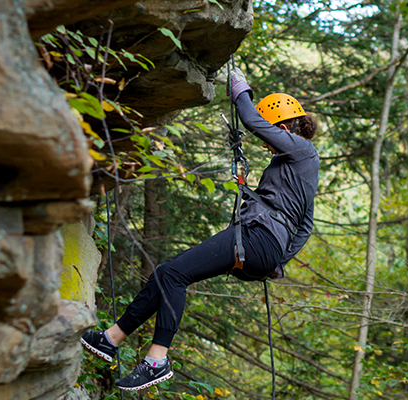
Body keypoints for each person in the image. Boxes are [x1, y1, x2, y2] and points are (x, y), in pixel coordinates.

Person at [79, 67, 319, 391]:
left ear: (286, 126)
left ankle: (156, 361)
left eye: (272, 136)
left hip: (257, 239)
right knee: (167, 272)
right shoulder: (296, 163)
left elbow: (252, 121)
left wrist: (239, 89)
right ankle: (111, 339)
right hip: (261, 245)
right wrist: (278, 257)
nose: (267, 146)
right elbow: (303, 224)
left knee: (175, 275)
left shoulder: (301, 149)